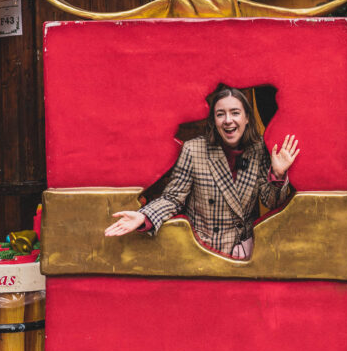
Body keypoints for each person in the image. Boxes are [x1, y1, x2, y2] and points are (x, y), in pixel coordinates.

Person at [104, 86, 299, 259]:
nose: (228, 120)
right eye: (220, 114)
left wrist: (278, 174)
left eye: (235, 113)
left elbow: (271, 201)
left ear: (247, 118)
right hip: (204, 253)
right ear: (214, 120)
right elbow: (173, 198)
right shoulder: (194, 150)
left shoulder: (257, 150)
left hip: (244, 254)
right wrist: (144, 217)